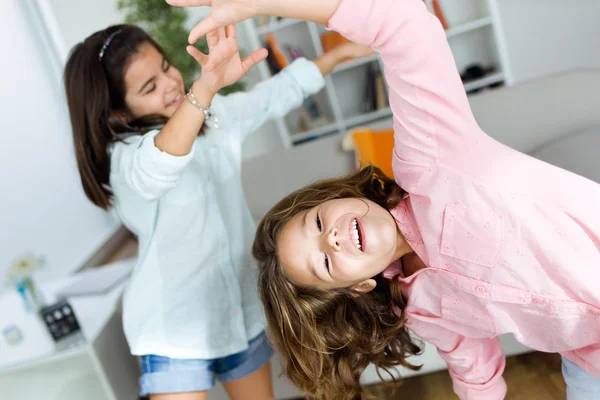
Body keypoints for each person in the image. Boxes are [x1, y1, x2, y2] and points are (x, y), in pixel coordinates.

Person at [168, 0, 600, 399]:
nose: (331, 240)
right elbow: (474, 367)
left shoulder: (432, 162)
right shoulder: (420, 309)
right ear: (357, 286)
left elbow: (406, 28)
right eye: (324, 262)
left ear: (335, 197)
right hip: (588, 359)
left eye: (317, 224)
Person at [64, 21, 373, 400]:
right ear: (119, 113)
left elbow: (280, 92)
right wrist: (204, 88)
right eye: (150, 87)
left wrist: (338, 54)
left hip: (238, 315)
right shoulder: (126, 158)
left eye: (165, 67)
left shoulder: (217, 118)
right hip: (173, 331)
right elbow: (160, 163)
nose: (170, 83)